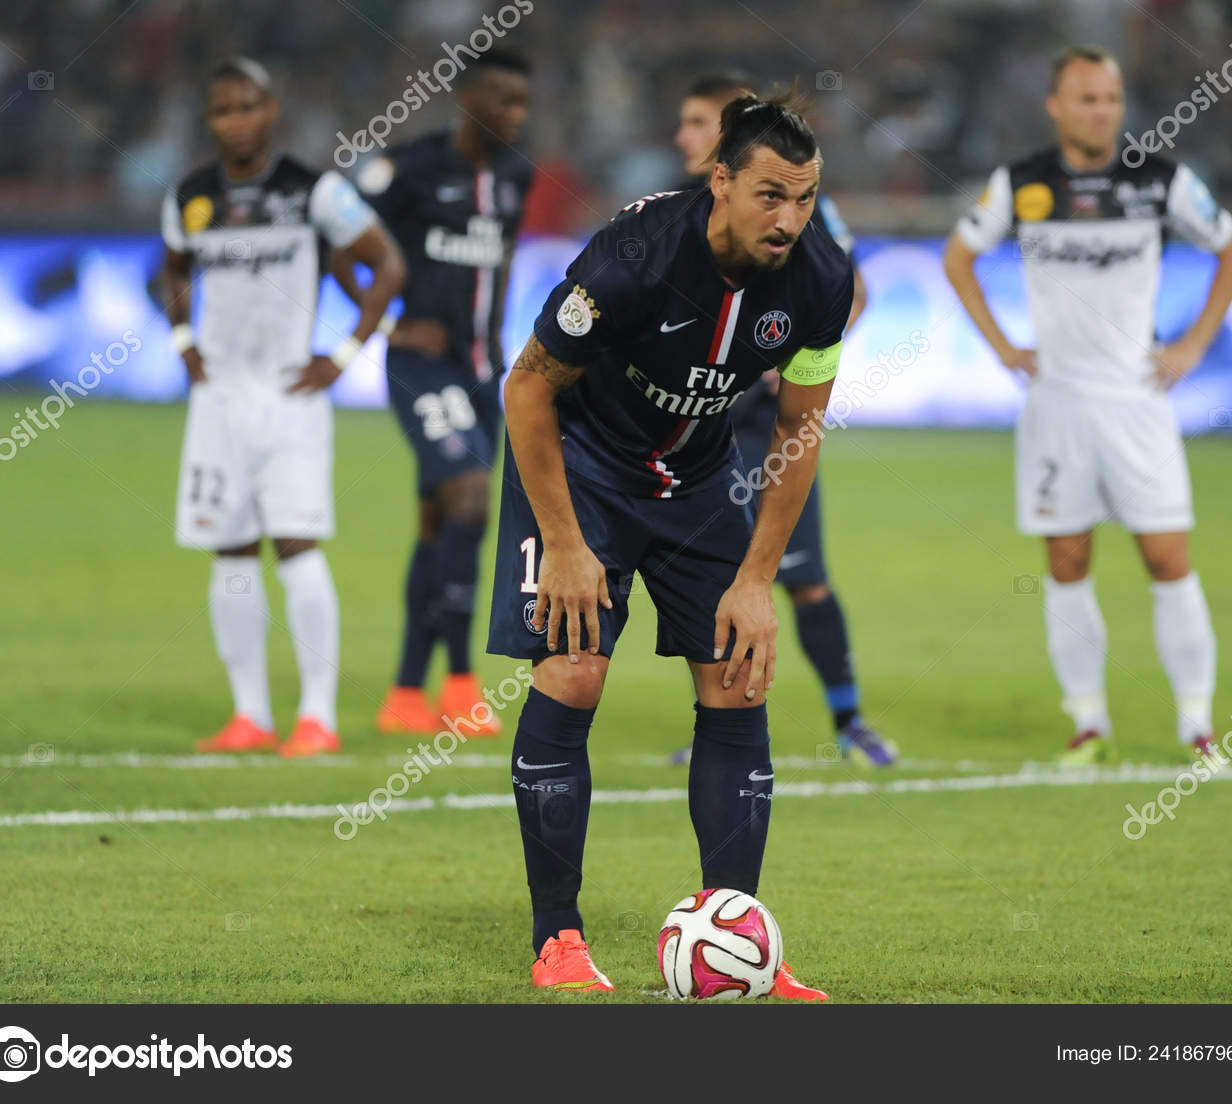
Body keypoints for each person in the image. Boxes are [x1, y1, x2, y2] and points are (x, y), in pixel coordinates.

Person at [491, 95, 848, 998]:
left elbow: (799, 431)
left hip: (696, 480)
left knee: (737, 673)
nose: (789, 219)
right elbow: (527, 390)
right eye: (770, 195)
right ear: (718, 178)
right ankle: (557, 939)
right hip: (580, 468)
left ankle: (736, 941)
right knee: (574, 671)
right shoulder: (633, 258)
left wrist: (757, 579)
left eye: (804, 198)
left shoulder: (820, 280)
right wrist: (567, 545)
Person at [943, 45, 1232, 765]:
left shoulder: (1163, 183)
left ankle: (1198, 725)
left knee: (1168, 556)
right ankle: (1087, 722)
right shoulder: (1021, 185)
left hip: (1137, 401)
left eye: (1109, 98)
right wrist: (1003, 347)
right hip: (1056, 405)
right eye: (1085, 99)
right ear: (1055, 106)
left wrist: (1194, 345)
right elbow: (958, 257)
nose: (1100, 110)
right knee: (1067, 559)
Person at [161, 58, 404, 757]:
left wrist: (347, 351)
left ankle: (317, 718)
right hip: (218, 400)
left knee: (296, 546)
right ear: (210, 120)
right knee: (230, 549)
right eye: (222, 110)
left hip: (291, 395)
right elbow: (173, 267)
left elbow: (387, 262)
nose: (235, 120)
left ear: (271, 112)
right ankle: (249, 715)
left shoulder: (314, 190)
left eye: (247, 107)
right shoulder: (190, 195)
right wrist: (183, 338)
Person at [667, 74, 894, 767]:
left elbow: (853, 288)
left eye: (699, 121)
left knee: (801, 574)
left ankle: (849, 718)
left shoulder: (791, 210)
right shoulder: (677, 218)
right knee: (714, 578)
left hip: (769, 424)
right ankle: (721, 723)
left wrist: (786, 358)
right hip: (704, 426)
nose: (686, 135)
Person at [337, 50, 533, 737]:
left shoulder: (516, 175)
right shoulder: (410, 168)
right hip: (423, 366)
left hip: (484, 371)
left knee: (440, 524)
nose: (515, 112)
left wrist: (503, 344)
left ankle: (402, 694)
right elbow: (340, 236)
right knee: (471, 499)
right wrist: (381, 315)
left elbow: (500, 261)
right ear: (467, 97)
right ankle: (458, 683)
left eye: (522, 100)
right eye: (502, 98)